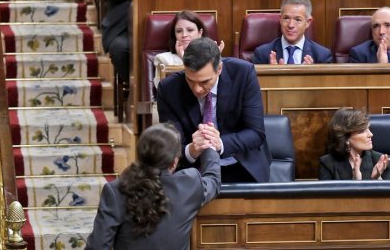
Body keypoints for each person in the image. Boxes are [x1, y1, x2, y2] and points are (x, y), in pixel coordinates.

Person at [85, 123, 221, 250]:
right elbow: (213, 179)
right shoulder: (190, 184)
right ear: (175, 161)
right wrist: (210, 144)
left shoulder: (115, 191)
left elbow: (98, 246)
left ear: (139, 156)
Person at [157, 37, 271, 183]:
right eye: (191, 81)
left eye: (205, 82)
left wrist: (220, 143)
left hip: (241, 164)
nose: (197, 89)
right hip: (194, 170)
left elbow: (256, 133)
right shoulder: (168, 89)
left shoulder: (243, 73)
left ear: (219, 69)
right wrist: (191, 149)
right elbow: (171, 144)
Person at [252, 0, 332, 64]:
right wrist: (273, 75)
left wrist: (309, 77)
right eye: (286, 18)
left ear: (308, 22)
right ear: (280, 19)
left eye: (297, 20)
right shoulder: (262, 54)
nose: (290, 25)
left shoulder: (322, 56)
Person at [152, 10, 224, 88]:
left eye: (190, 30)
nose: (184, 35)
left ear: (200, 33)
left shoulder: (212, 56)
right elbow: (163, 90)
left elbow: (216, 88)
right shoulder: (163, 59)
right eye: (179, 31)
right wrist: (184, 60)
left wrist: (214, 60)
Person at [319, 108, 390, 180]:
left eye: (368, 129)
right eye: (362, 131)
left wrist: (376, 179)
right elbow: (325, 194)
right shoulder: (327, 163)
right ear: (346, 138)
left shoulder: (382, 161)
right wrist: (355, 183)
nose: (371, 134)